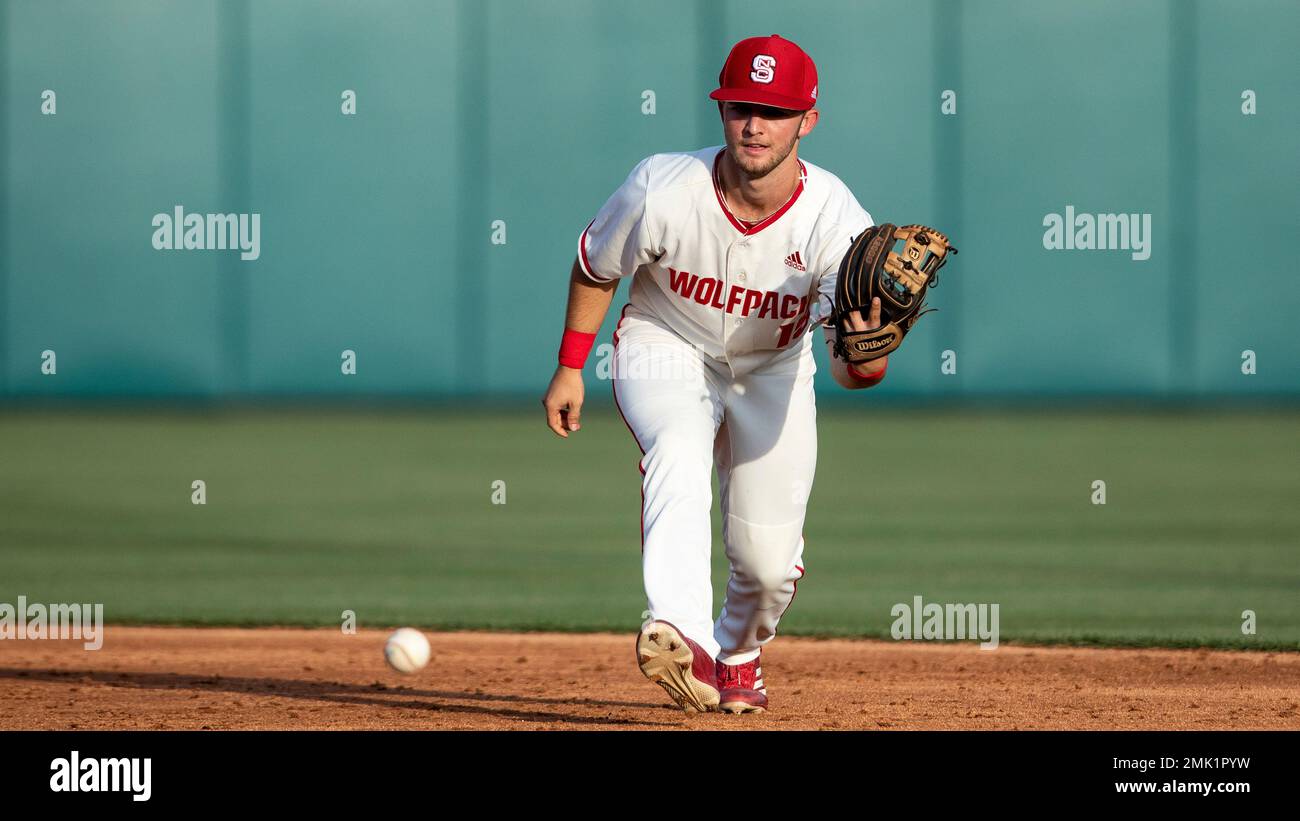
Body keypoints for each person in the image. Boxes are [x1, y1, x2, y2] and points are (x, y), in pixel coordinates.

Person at [541, 34, 886, 714]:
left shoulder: (838, 224)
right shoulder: (662, 187)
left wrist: (869, 355)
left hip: (774, 366)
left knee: (766, 567)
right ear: (722, 111)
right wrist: (569, 367)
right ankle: (681, 633)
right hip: (663, 341)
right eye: (740, 107)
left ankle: (737, 649)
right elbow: (596, 266)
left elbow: (857, 374)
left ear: (807, 122)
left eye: (775, 110)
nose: (754, 124)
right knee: (678, 445)